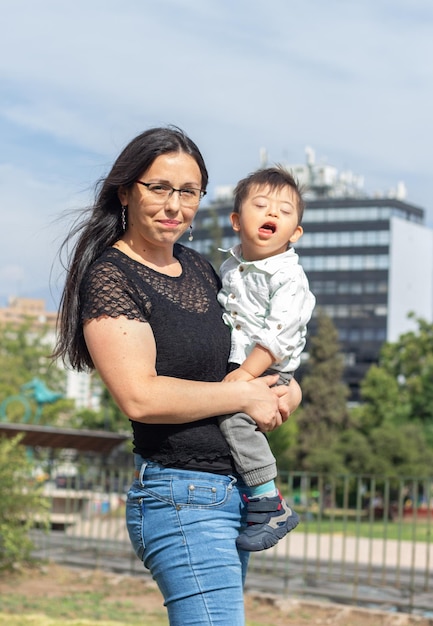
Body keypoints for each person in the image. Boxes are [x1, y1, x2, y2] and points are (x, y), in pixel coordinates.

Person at [53, 126, 302, 626]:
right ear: (125, 191)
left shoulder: (204, 270)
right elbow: (140, 397)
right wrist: (243, 397)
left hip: (235, 495)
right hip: (181, 495)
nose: (174, 204)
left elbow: (247, 358)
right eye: (158, 187)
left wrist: (284, 389)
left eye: (188, 192)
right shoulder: (111, 276)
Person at [217, 165, 316, 552]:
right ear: (237, 221)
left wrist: (245, 374)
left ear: (296, 233)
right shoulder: (230, 266)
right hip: (243, 366)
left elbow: (280, 334)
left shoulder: (289, 277)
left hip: (268, 367)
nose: (272, 213)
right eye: (261, 205)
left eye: (285, 211)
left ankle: (268, 501)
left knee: (235, 419)